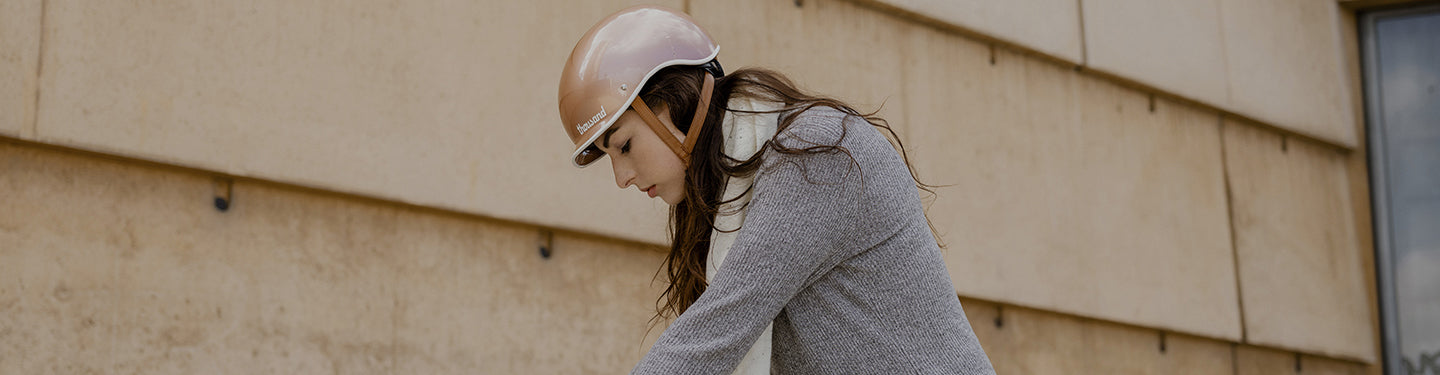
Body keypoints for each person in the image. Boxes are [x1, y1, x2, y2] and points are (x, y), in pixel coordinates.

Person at [556, 5, 996, 374]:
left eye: (625, 147)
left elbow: (717, 331)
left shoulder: (816, 154)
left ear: (672, 103)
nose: (622, 178)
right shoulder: (728, 196)